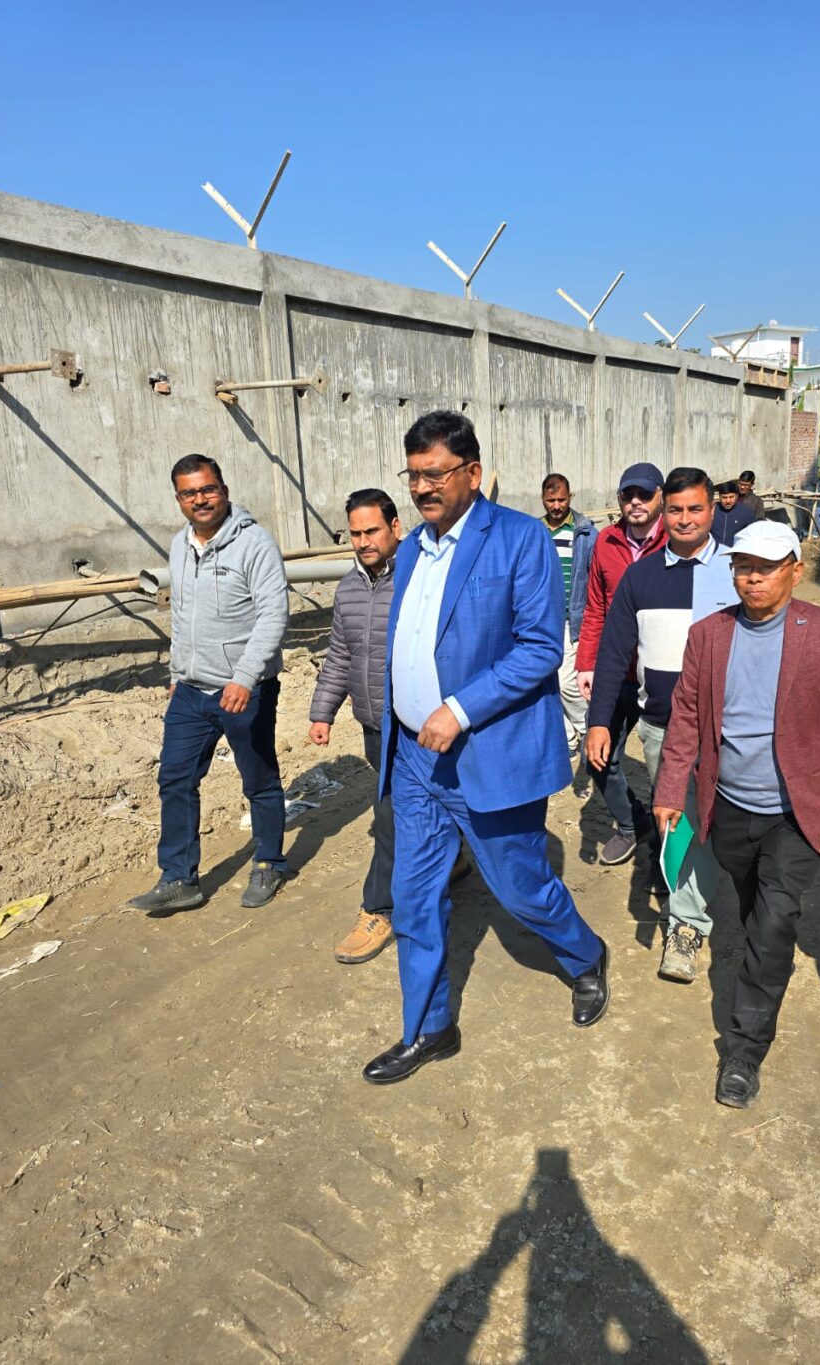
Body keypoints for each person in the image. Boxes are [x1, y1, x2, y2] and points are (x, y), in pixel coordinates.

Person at [363, 411, 608, 1084]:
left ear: (472, 473)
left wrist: (460, 708)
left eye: (434, 474)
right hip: (416, 759)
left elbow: (539, 647)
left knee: (521, 890)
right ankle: (429, 1027)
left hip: (486, 754)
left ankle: (586, 955)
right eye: (413, 475)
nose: (421, 487)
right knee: (414, 899)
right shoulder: (411, 548)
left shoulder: (520, 539)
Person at [653, 521, 820, 1108]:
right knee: (754, 909)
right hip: (727, 806)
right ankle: (766, 960)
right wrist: (670, 789)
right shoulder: (709, 635)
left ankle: (744, 1050)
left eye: (767, 567)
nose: (753, 577)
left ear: (795, 572)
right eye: (744, 566)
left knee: (773, 924)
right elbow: (686, 718)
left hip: (795, 814)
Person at [585, 468, 735, 981]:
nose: (685, 519)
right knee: (680, 824)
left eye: (695, 509)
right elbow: (613, 653)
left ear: (712, 510)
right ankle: (687, 922)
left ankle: (699, 906)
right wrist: (600, 722)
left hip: (727, 731)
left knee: (720, 824)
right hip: (662, 727)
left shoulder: (736, 572)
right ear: (662, 513)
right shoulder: (641, 577)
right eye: (676, 510)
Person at [129, 455, 289, 913]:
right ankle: (179, 878)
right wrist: (176, 673)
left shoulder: (255, 544)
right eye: (189, 493)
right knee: (175, 779)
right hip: (191, 690)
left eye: (207, 489)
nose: (199, 499)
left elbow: (273, 616)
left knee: (258, 780)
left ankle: (269, 862)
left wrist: (244, 677)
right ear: (178, 499)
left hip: (244, 690)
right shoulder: (180, 545)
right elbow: (181, 615)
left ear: (224, 490)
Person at [308, 489, 402, 964]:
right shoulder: (347, 588)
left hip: (414, 725)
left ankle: (379, 909)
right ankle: (455, 864)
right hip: (373, 724)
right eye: (355, 533)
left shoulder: (416, 579)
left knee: (388, 817)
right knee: (400, 812)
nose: (363, 541)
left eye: (372, 531)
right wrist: (322, 711)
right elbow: (341, 655)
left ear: (395, 528)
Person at [575, 463, 667, 865]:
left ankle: (666, 854)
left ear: (660, 496)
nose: (635, 502)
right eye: (628, 495)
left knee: (665, 769)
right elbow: (595, 607)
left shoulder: (675, 542)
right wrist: (586, 663)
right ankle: (633, 824)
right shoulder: (606, 542)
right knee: (597, 756)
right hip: (614, 672)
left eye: (644, 494)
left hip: (660, 675)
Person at [540, 473, 598, 757]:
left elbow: (596, 575)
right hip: (542, 619)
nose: (556, 505)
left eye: (561, 499)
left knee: (566, 682)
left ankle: (587, 727)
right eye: (551, 500)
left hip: (572, 619)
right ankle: (568, 739)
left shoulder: (584, 532)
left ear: (570, 497)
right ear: (543, 499)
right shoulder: (536, 531)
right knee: (545, 682)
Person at [712, 480, 757, 547]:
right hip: (714, 551)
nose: (728, 501)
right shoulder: (712, 510)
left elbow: (753, 534)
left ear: (736, 496)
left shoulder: (745, 512)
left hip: (736, 551)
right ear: (719, 497)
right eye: (724, 497)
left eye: (731, 497)